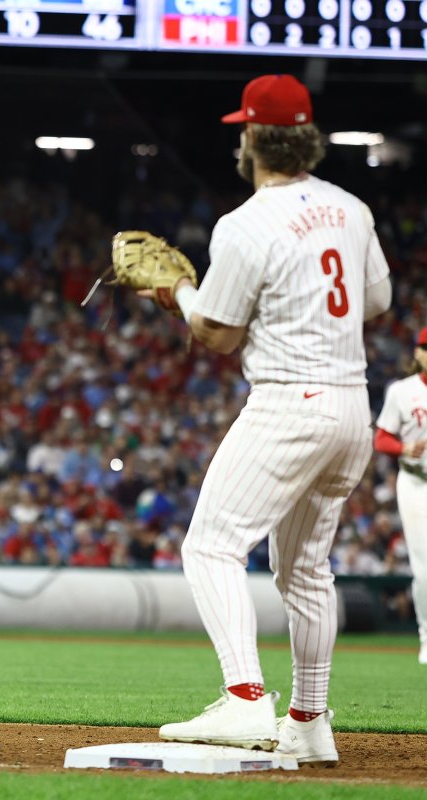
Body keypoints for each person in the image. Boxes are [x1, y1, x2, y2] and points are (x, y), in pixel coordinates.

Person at [144, 75, 392, 765]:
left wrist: (177, 291)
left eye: (242, 130)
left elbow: (218, 334)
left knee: (211, 546)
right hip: (351, 409)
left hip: (290, 402)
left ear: (252, 137)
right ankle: (309, 721)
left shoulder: (245, 223)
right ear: (305, 136)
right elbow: (375, 303)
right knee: (307, 572)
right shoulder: (352, 208)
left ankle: (245, 698)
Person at [373, 326, 427, 666]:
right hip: (416, 483)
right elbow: (381, 439)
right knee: (424, 569)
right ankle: (426, 635)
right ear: (418, 353)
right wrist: (405, 446)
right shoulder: (402, 391)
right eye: (425, 347)